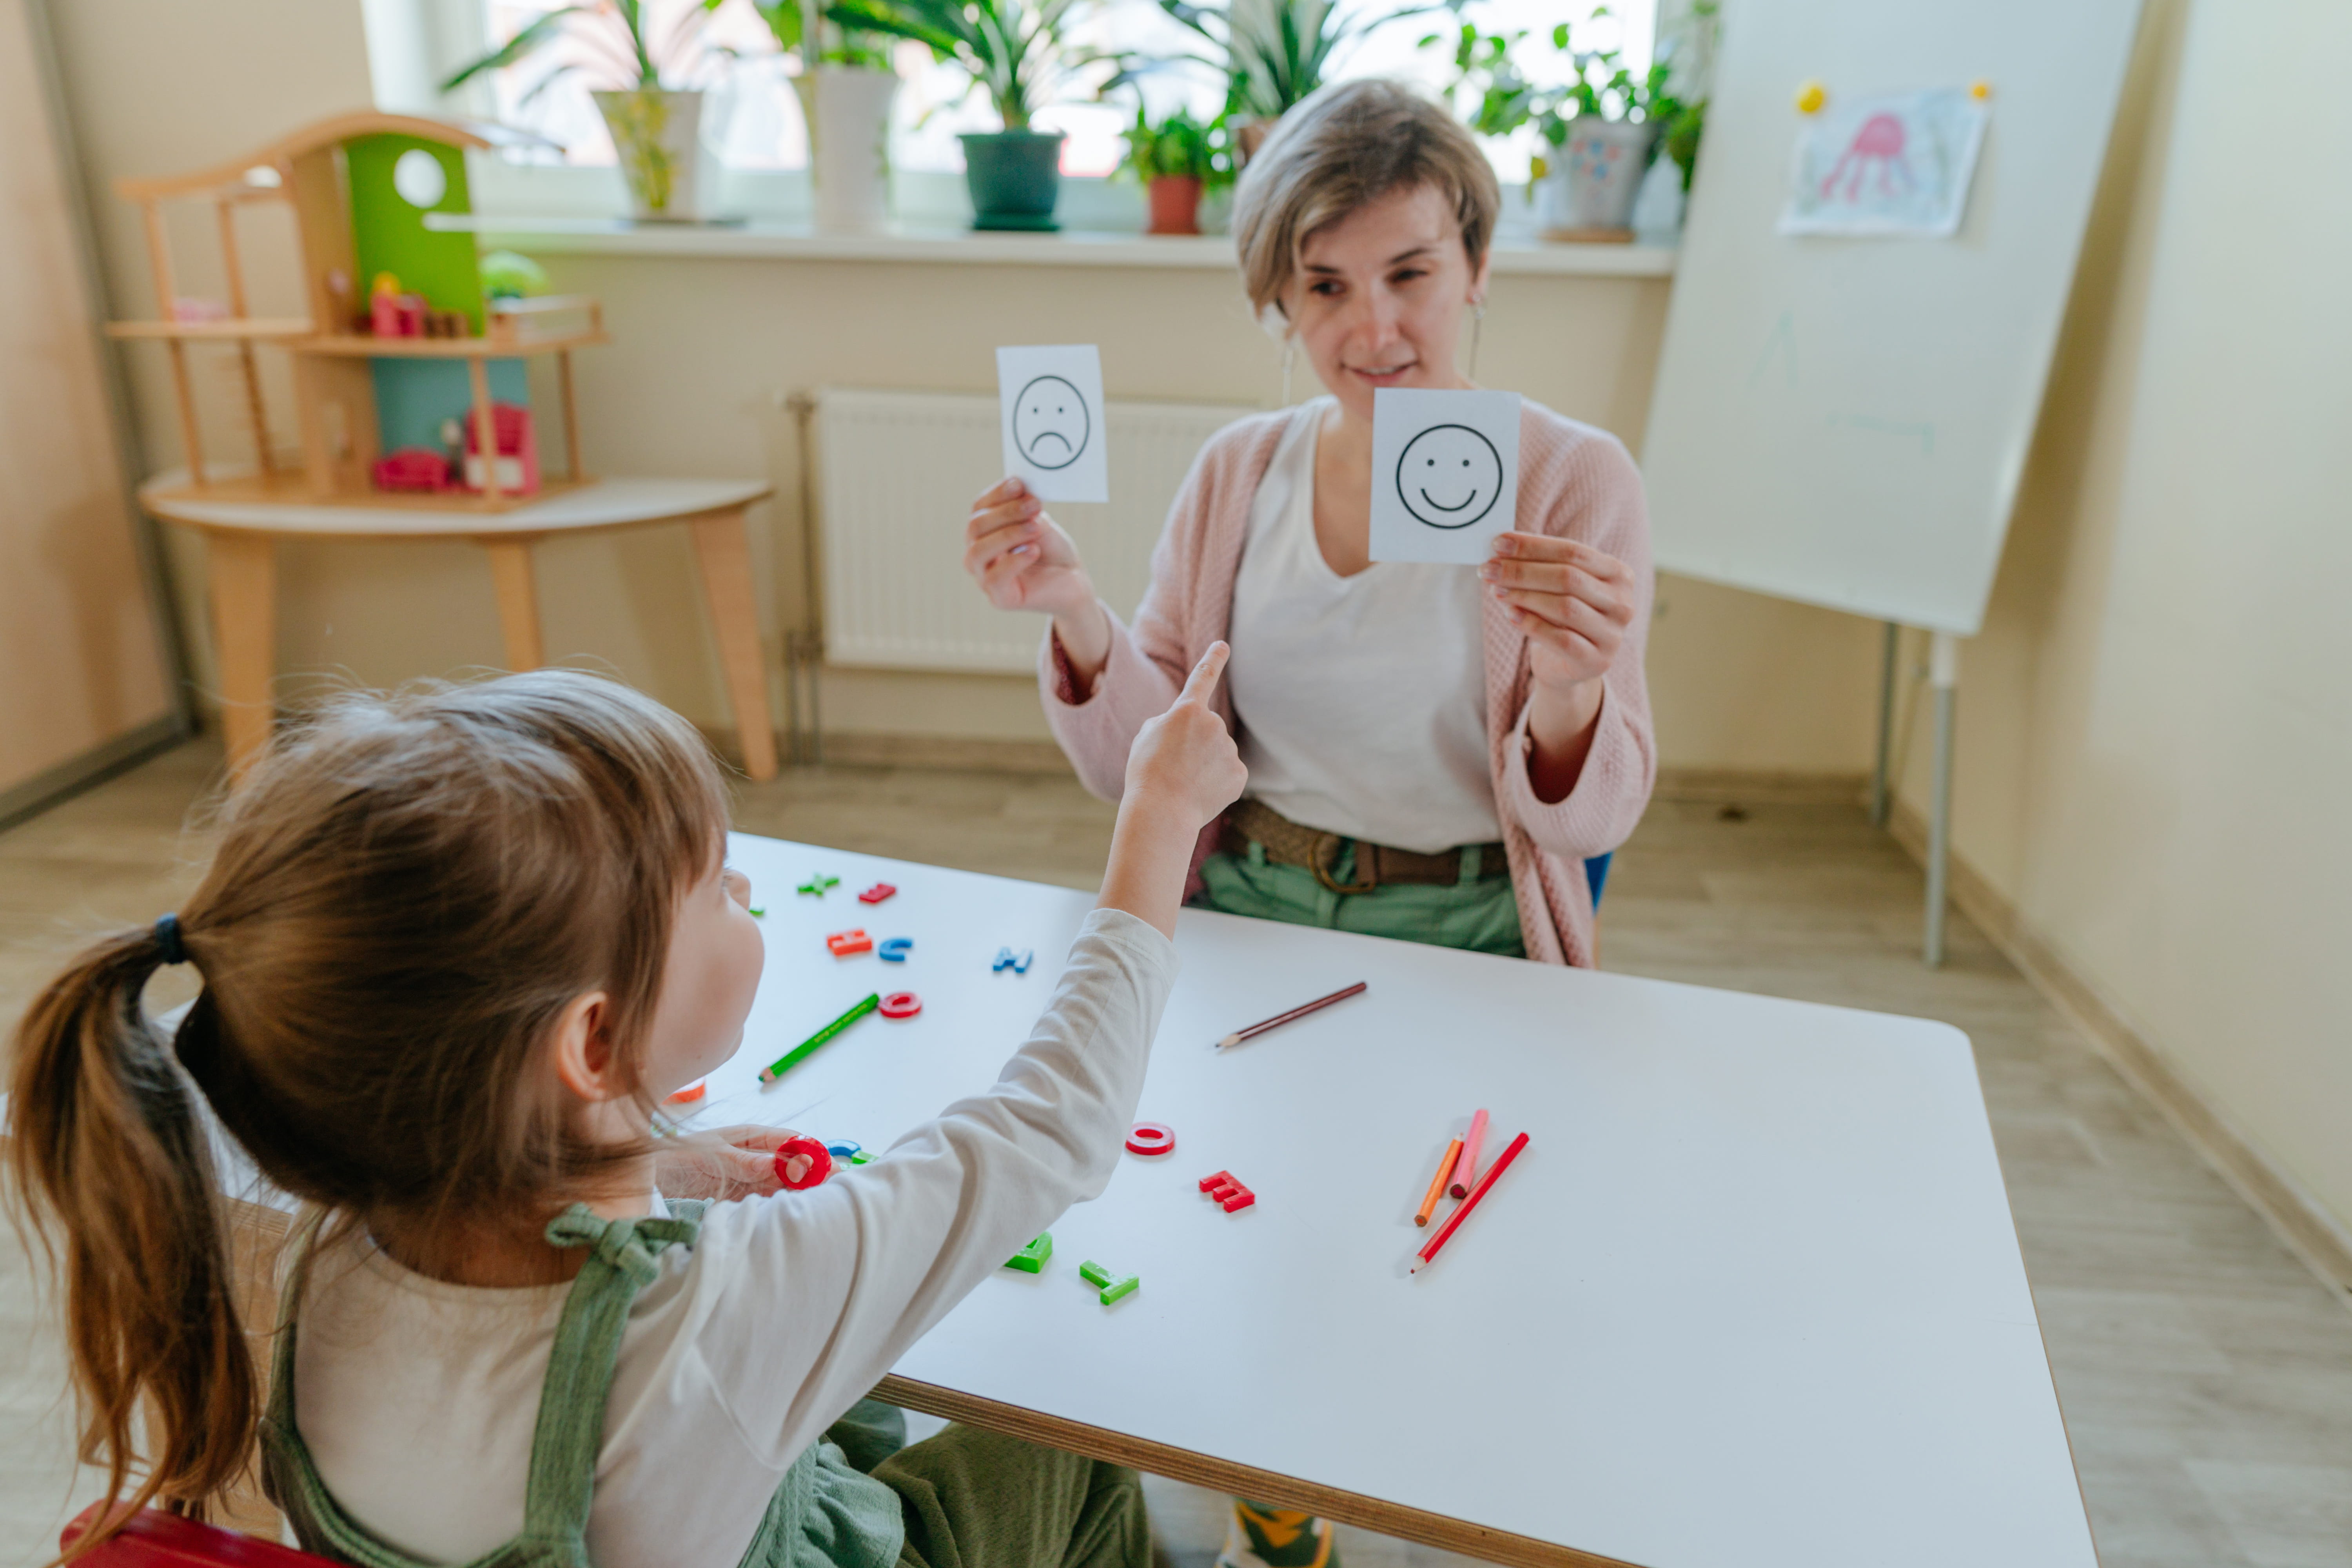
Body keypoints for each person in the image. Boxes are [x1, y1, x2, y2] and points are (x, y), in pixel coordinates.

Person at [8, 659, 1245, 1568]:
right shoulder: (717, 1312)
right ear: (593, 1043)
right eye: (715, 883)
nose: (749, 884)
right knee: (1068, 1448)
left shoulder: (324, 1255)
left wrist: (670, 1164)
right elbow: (1051, 1129)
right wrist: (1156, 824)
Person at [961, 78, 1655, 1568]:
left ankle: (1432, 1498)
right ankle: (1269, 1493)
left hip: (1469, 924)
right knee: (1235, 1227)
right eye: (1324, 287)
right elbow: (1140, 761)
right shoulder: (1237, 475)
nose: (1373, 331)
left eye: (1410, 275)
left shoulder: (1573, 479)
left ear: (1477, 268)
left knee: (1429, 1257)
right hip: (1254, 911)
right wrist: (1074, 609)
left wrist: (1577, 684)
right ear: (1278, 298)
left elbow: (1597, 804)